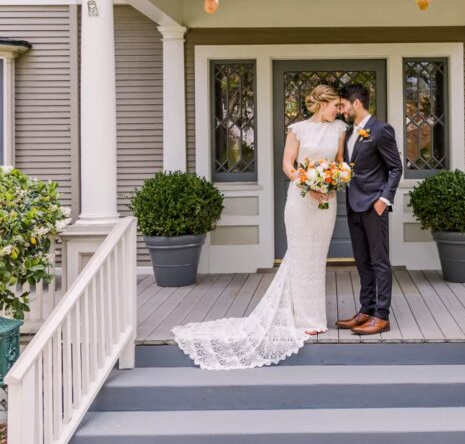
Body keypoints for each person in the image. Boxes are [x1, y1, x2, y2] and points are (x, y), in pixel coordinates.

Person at [172, 84, 346, 369]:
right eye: (335, 105)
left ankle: (314, 316)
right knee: (301, 255)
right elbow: (288, 166)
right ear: (321, 103)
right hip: (302, 199)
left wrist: (334, 181)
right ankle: (303, 319)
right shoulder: (298, 129)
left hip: (327, 200)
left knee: (317, 258)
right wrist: (309, 184)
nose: (339, 110)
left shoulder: (340, 129)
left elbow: (339, 162)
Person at [336, 83, 403, 336]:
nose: (341, 111)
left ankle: (382, 316)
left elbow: (396, 168)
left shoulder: (381, 130)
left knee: (379, 261)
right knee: (363, 261)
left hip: (374, 205)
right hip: (353, 205)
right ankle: (366, 310)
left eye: (343, 106)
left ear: (356, 103)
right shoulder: (351, 132)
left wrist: (383, 200)